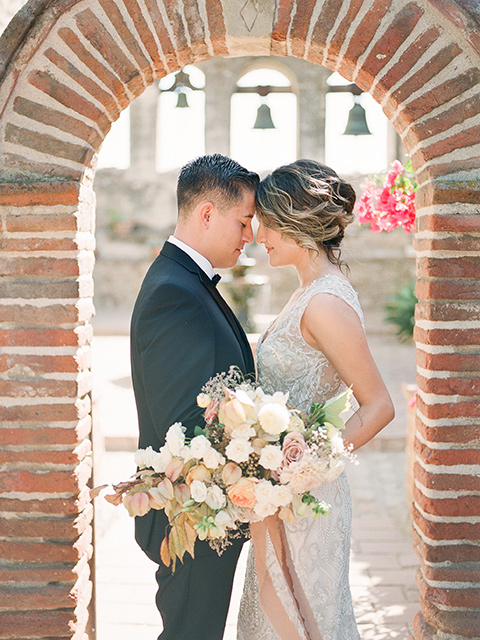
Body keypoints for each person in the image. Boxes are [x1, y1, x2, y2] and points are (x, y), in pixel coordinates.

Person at [237, 159, 395, 640]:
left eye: (265, 221)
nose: (257, 233)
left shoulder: (325, 303)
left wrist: (305, 466)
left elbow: (378, 407)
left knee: (307, 619)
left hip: (308, 495)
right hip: (282, 492)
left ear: (295, 224)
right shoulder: (307, 291)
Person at [130, 154, 259, 640]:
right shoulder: (174, 291)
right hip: (191, 517)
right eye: (243, 222)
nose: (249, 235)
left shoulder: (183, 280)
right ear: (207, 214)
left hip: (207, 514)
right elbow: (181, 423)